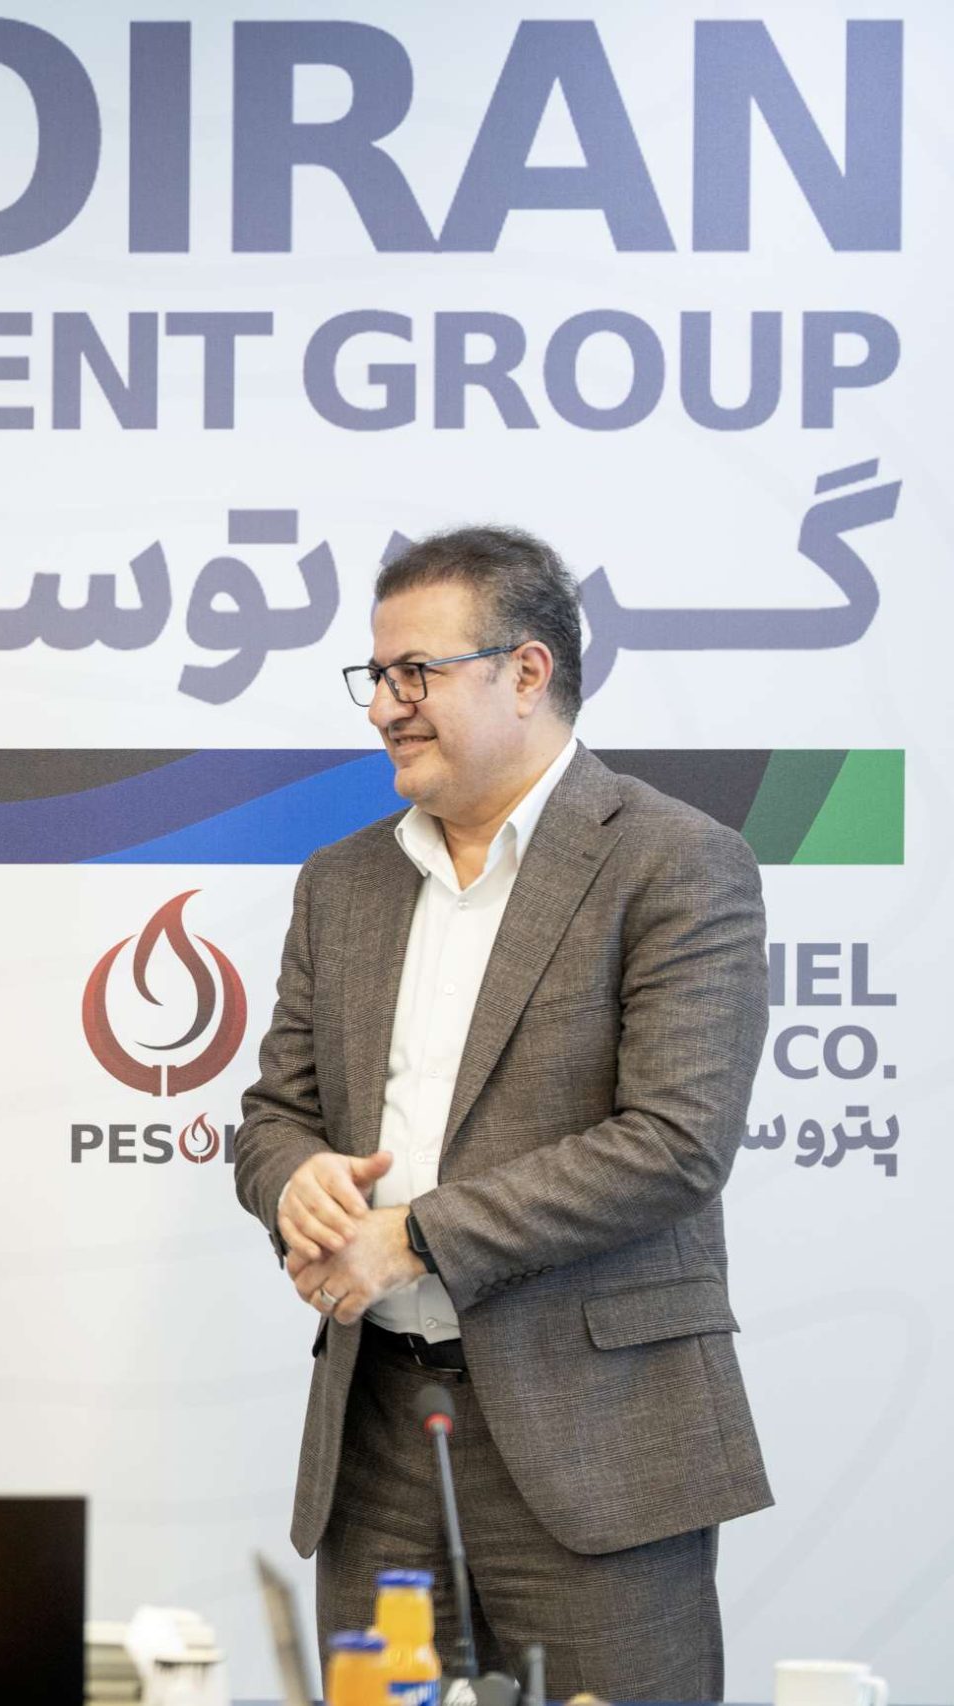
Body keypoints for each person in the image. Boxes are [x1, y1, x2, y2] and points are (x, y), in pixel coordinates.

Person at [232, 527, 771, 1700]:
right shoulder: (341, 881)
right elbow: (274, 1111)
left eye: (413, 673)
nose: (383, 705)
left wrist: (415, 1235)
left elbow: (674, 1141)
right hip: (378, 1430)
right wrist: (294, 1180)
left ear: (527, 671)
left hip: (597, 1438)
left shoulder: (676, 862)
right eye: (376, 674)